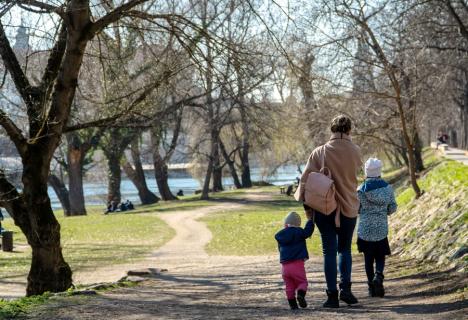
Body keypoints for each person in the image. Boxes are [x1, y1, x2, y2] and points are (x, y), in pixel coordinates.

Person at [295, 115, 362, 308]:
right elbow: (357, 171)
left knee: (329, 251)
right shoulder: (355, 151)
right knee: (345, 249)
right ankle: (346, 290)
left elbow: (305, 180)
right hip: (349, 206)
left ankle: (332, 295)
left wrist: (307, 207)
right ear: (349, 130)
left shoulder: (319, 152)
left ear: (331, 130)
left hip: (325, 207)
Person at [357, 158, 397, 298]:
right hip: (381, 228)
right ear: (379, 171)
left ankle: (371, 287)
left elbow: (357, 208)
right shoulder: (387, 188)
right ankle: (378, 276)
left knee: (368, 258)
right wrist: (385, 211)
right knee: (380, 255)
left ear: (367, 172)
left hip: (365, 229)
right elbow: (392, 207)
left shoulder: (361, 190)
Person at [275, 210, 314, 310]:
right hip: (297, 264)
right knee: (302, 282)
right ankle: (300, 295)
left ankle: (293, 305)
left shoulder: (281, 235)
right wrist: (310, 220)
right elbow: (307, 232)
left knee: (289, 286)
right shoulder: (299, 231)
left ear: (285, 223)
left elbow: (280, 248)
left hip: (285, 267)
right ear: (298, 224)